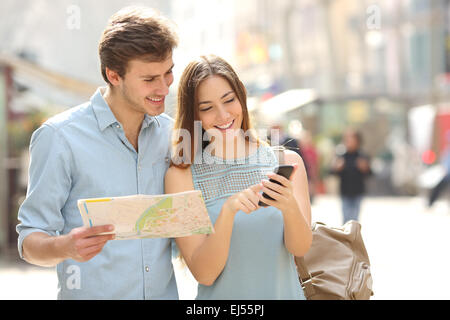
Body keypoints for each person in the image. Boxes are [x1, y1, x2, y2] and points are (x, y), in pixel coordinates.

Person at [16, 6, 179, 299]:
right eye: (149, 79)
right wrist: (63, 247)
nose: (164, 88)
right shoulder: (59, 138)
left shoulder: (172, 135)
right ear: (113, 75)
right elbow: (30, 239)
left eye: (168, 73)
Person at [165, 55, 312, 299]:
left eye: (228, 100)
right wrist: (228, 212)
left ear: (241, 95)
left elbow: (300, 248)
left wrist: (289, 207)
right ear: (194, 115)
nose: (223, 115)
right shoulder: (180, 177)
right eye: (207, 107)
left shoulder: (287, 163)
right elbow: (204, 274)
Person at [330, 129, 371, 224]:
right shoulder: (341, 155)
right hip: (345, 191)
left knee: (354, 218)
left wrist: (365, 168)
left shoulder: (362, 155)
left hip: (358, 191)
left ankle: (353, 238)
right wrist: (337, 168)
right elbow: (332, 172)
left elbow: (370, 173)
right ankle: (346, 238)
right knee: (346, 218)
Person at [428, 131, 450, 207]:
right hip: (447, 175)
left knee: (439, 188)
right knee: (438, 188)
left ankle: (430, 202)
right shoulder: (447, 150)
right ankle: (430, 202)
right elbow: (445, 161)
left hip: (447, 175)